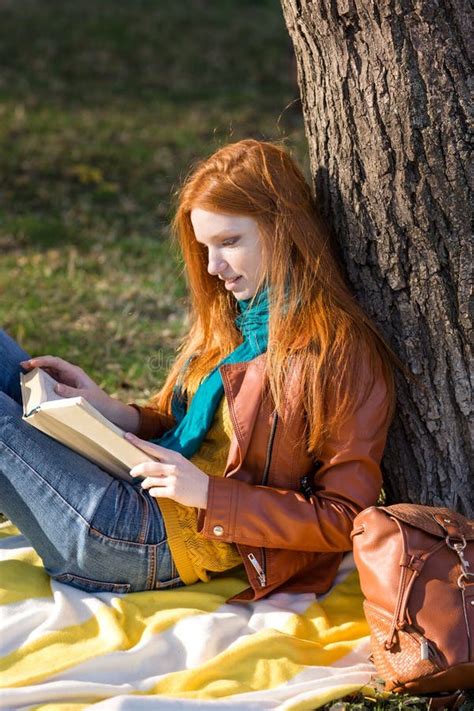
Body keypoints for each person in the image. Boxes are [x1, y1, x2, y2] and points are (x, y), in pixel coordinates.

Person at [0, 139, 403, 602]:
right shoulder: (236, 317)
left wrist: (210, 494)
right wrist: (107, 409)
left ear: (285, 229)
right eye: (205, 246)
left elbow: (343, 515)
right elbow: (185, 426)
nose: (213, 267)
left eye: (229, 242)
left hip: (145, 542)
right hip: (130, 478)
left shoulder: (338, 351)